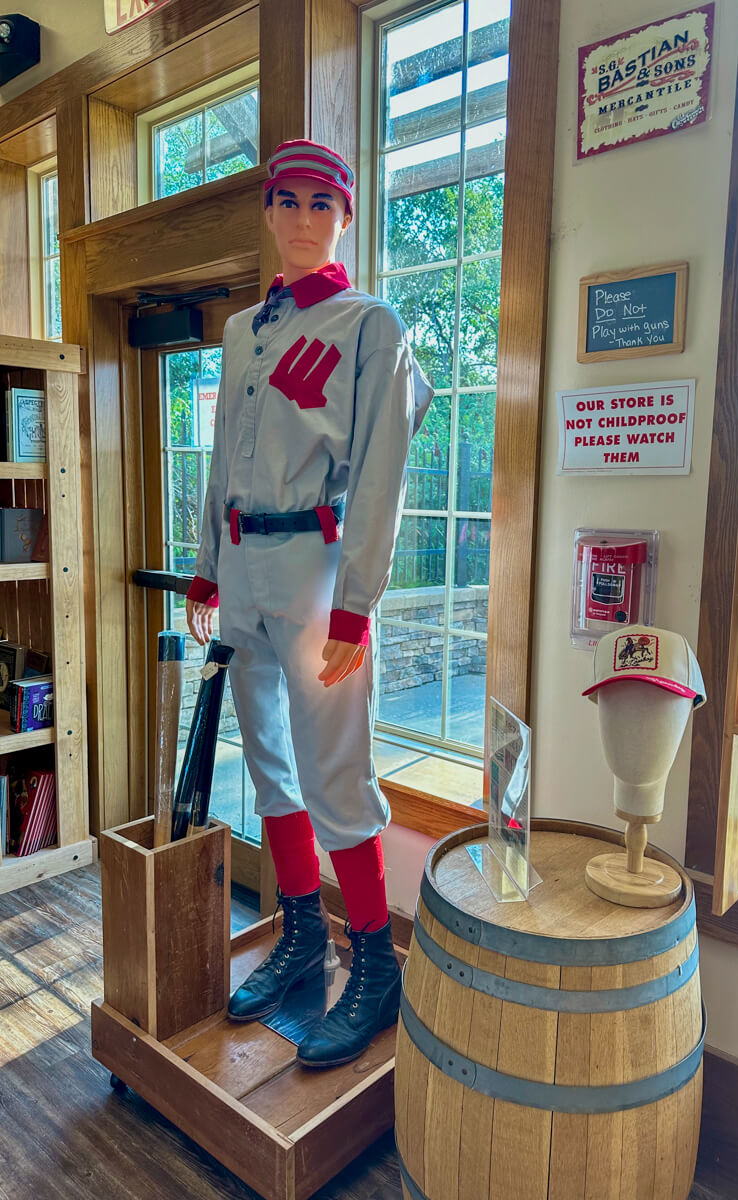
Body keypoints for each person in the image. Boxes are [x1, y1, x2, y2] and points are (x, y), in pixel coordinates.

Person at [185, 139, 432, 1068]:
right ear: (269, 209)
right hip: (246, 562)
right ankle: (300, 937)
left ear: (344, 215)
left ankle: (372, 963)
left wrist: (358, 606)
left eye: (318, 202)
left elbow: (380, 479)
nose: (298, 217)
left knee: (334, 771)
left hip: (317, 567)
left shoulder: (371, 326)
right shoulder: (244, 329)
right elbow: (221, 458)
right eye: (284, 199)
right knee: (269, 763)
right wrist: (209, 562)